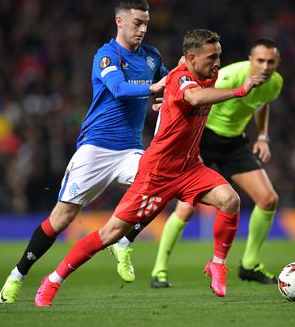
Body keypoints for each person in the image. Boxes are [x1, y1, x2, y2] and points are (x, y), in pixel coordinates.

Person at [33, 28, 267, 306]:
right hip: (156, 174)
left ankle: (217, 264)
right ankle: (53, 280)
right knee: (111, 234)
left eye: (219, 56)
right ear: (191, 58)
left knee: (230, 200)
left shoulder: (205, 73)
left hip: (189, 168)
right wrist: (240, 90)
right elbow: (193, 98)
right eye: (212, 57)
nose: (217, 63)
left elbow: (186, 92)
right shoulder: (183, 77)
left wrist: (168, 102)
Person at [0, 0, 168, 304]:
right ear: (120, 21)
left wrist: (168, 95)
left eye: (146, 24)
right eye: (137, 23)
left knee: (162, 185)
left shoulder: (152, 57)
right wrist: (152, 89)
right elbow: (118, 89)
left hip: (130, 149)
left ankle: (124, 241)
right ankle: (17, 276)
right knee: (61, 218)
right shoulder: (106, 55)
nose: (142, 29)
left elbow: (170, 83)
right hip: (95, 149)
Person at [115, 39, 283, 288]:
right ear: (250, 60)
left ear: (277, 63)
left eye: (271, 61)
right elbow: (199, 96)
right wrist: (174, 105)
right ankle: (159, 270)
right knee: (186, 207)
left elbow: (261, 103)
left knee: (268, 199)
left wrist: (262, 136)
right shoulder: (230, 76)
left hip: (233, 143)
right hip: (202, 137)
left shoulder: (275, 83)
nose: (266, 66)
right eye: (260, 60)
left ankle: (249, 264)